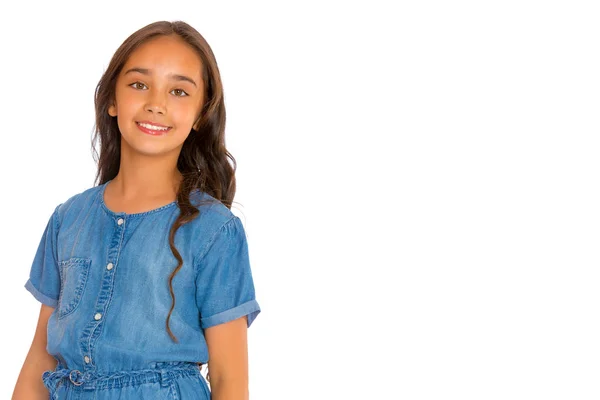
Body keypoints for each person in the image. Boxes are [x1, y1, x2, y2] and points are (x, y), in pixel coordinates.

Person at [12, 20, 260, 400]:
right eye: (139, 84)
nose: (156, 104)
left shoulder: (215, 230)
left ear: (199, 114)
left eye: (179, 91)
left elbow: (230, 379)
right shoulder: (68, 219)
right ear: (112, 99)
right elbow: (40, 361)